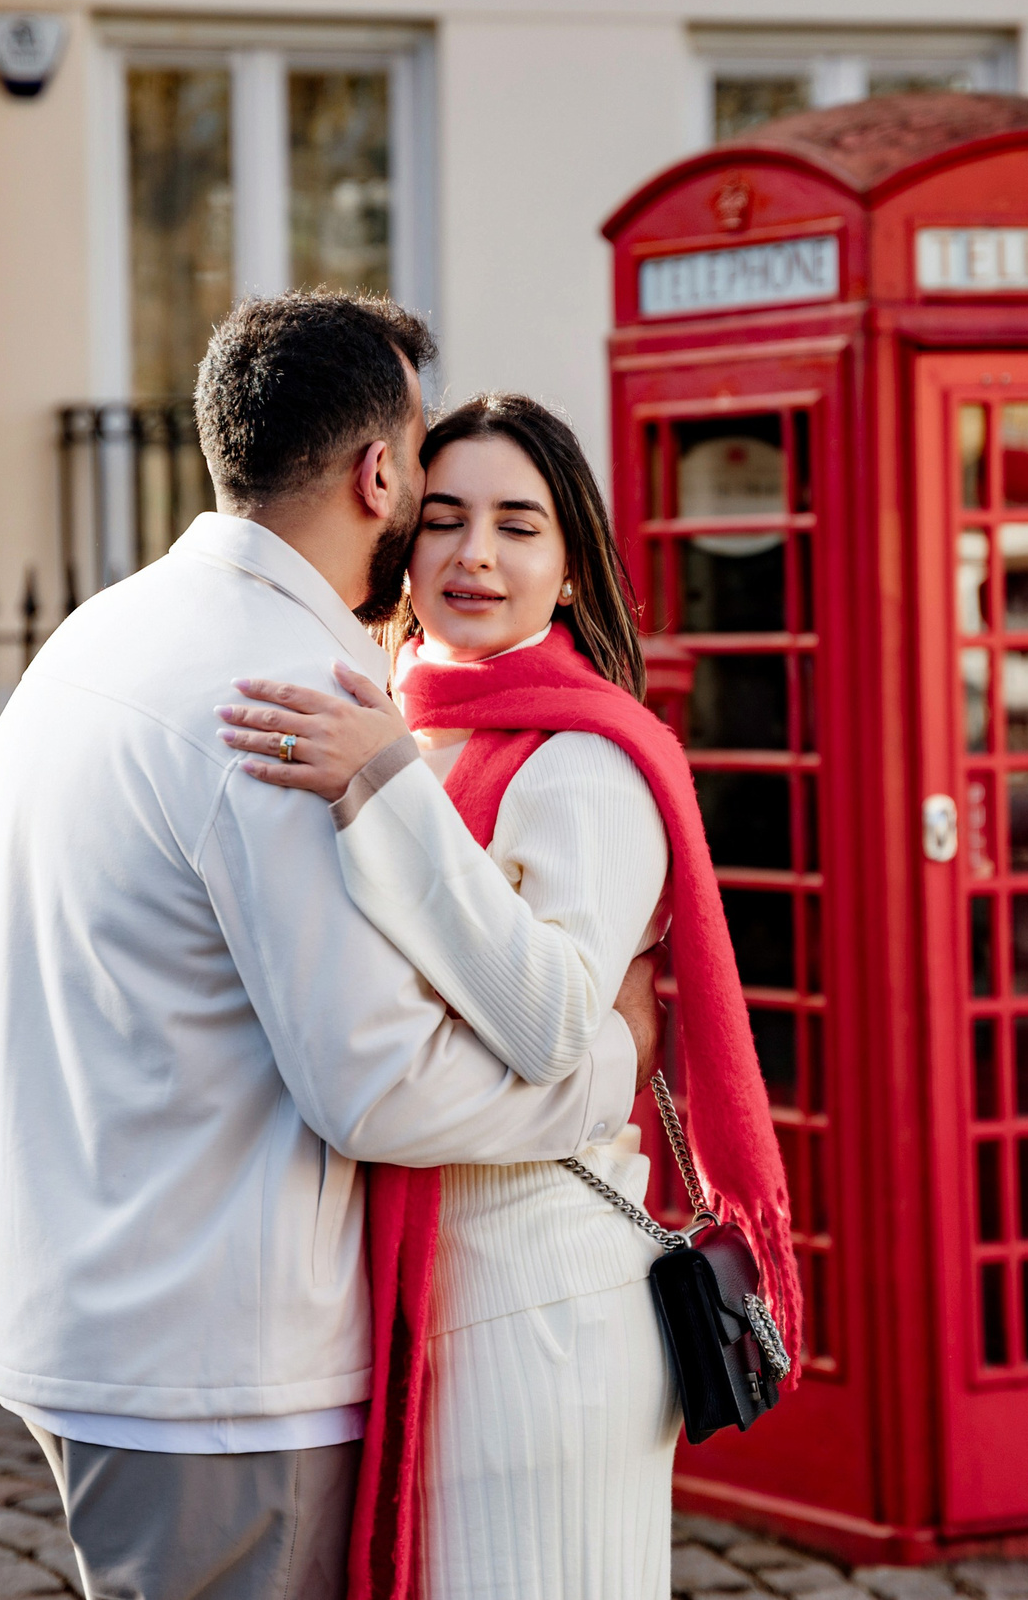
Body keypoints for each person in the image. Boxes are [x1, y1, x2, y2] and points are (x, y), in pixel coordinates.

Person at [0, 297, 664, 1600]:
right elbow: (378, 1083)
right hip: (223, 1363)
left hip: (80, 1312)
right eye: (438, 493)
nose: (464, 545)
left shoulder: (95, 634)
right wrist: (612, 1065)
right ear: (379, 473)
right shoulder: (293, 702)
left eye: (518, 522)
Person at [216, 393, 800, 1600]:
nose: (474, 553)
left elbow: (546, 1023)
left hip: (546, 1305)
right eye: (444, 518)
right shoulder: (400, 726)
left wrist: (383, 786)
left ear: (571, 567)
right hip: (437, 1297)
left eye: (518, 526)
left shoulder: (583, 765)